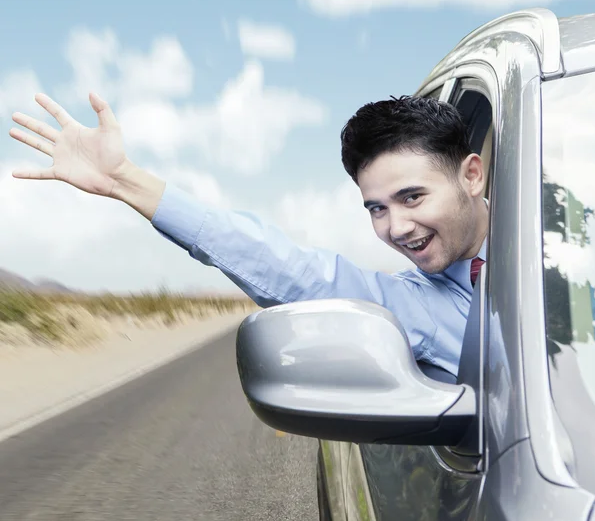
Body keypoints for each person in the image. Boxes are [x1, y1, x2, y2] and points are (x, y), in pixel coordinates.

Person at [8, 92, 488, 376]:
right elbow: (292, 271)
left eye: (412, 198)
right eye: (376, 209)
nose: (397, 228)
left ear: (472, 176)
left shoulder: (558, 247)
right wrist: (123, 182)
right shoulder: (418, 306)